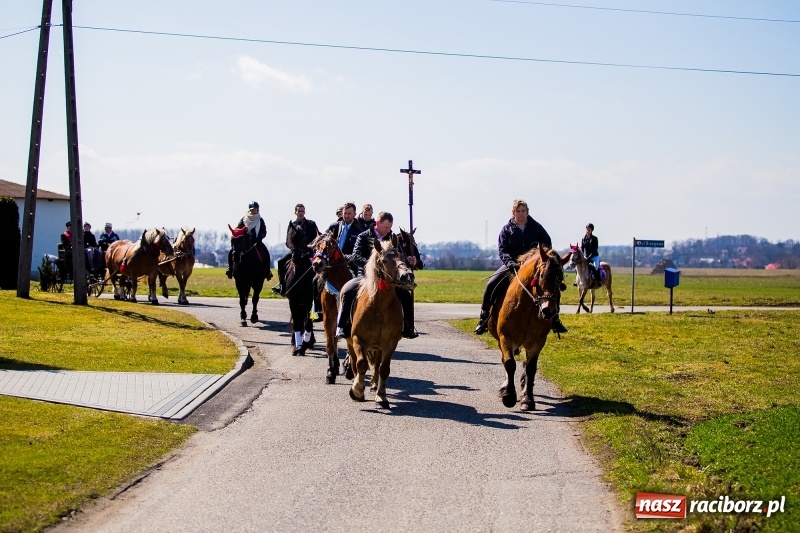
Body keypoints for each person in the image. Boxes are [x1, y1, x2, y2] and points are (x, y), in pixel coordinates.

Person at [474, 199, 568, 335]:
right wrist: (510, 263)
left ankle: (555, 319)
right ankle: (483, 319)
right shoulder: (506, 229)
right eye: (518, 211)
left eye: (523, 211)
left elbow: (547, 245)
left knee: (551, 286)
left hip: (533, 266)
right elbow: (502, 250)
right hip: (512, 265)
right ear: (513, 213)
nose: (520, 214)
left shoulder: (536, 227)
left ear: (527, 212)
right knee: (491, 284)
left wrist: (544, 259)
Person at [335, 211, 419, 339]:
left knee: (406, 295)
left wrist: (409, 260)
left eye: (390, 227)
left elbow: (399, 257)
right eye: (386, 227)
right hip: (366, 276)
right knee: (348, 291)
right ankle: (342, 326)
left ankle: (408, 327)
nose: (388, 230)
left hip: (389, 278)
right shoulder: (363, 236)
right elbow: (356, 256)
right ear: (377, 223)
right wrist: (372, 265)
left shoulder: (392, 239)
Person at [273, 203, 321, 295]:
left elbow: (317, 238)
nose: (301, 213)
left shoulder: (311, 224)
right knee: (280, 262)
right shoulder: (292, 225)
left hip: (309, 252)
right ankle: (282, 286)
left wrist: (310, 246)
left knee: (318, 266)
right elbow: (288, 240)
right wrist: (293, 248)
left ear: (305, 212)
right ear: (295, 212)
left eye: (302, 211)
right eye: (299, 211)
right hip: (295, 252)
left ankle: (318, 289)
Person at [226, 201, 273, 280]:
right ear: (249, 210)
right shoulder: (244, 219)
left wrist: (260, 237)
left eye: (255, 210)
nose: (254, 211)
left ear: (258, 210)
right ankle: (230, 269)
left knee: (266, 252)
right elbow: (238, 228)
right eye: (252, 210)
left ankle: (267, 272)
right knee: (232, 251)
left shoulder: (260, 220)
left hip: (257, 242)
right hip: (245, 242)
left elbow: (264, 231)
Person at [326, 202, 365, 277]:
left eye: (349, 213)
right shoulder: (334, 226)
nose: (347, 216)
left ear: (354, 214)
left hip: (348, 265)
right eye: (345, 213)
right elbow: (324, 239)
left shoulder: (359, 232)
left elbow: (361, 251)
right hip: (331, 262)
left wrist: (352, 256)